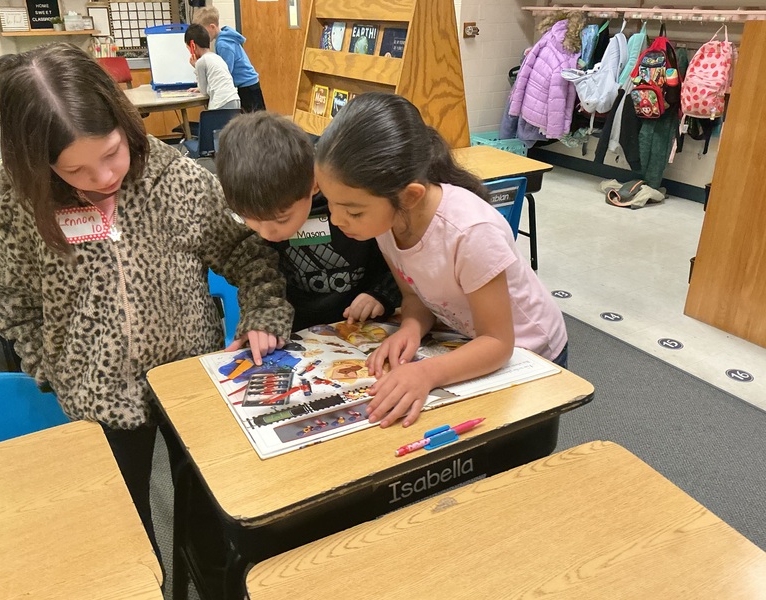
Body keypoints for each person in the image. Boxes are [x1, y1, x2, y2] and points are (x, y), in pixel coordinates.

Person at [0, 43, 293, 562]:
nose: (103, 178)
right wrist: (52, 368)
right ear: (39, 163)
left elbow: (245, 251)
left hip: (189, 382)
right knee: (126, 534)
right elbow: (14, 300)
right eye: (76, 171)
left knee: (209, 517)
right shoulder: (21, 203)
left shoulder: (175, 179)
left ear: (124, 124)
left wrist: (263, 310)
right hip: (95, 394)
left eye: (111, 154)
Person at [314, 92, 568, 429]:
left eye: (352, 210)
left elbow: (498, 343)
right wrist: (412, 327)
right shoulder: (387, 220)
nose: (337, 220)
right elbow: (414, 294)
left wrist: (427, 371)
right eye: (331, 203)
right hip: (469, 341)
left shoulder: (470, 232)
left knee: (517, 456)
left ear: (409, 196)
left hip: (530, 352)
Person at [216, 111, 401, 330]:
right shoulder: (253, 208)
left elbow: (399, 259)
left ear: (313, 184)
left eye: (282, 219)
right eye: (250, 220)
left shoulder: (351, 206)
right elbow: (257, 277)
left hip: (363, 323)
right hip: (297, 331)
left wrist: (381, 294)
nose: (267, 233)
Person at [192, 6, 266, 112]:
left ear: (212, 27)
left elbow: (225, 72)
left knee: (256, 124)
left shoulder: (223, 44)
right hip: (248, 86)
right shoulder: (224, 38)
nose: (202, 36)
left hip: (247, 88)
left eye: (203, 31)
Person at [184, 23, 241, 110]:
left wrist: (196, 67)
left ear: (193, 46)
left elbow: (204, 92)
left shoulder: (201, 62)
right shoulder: (217, 57)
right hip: (234, 99)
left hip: (221, 102)